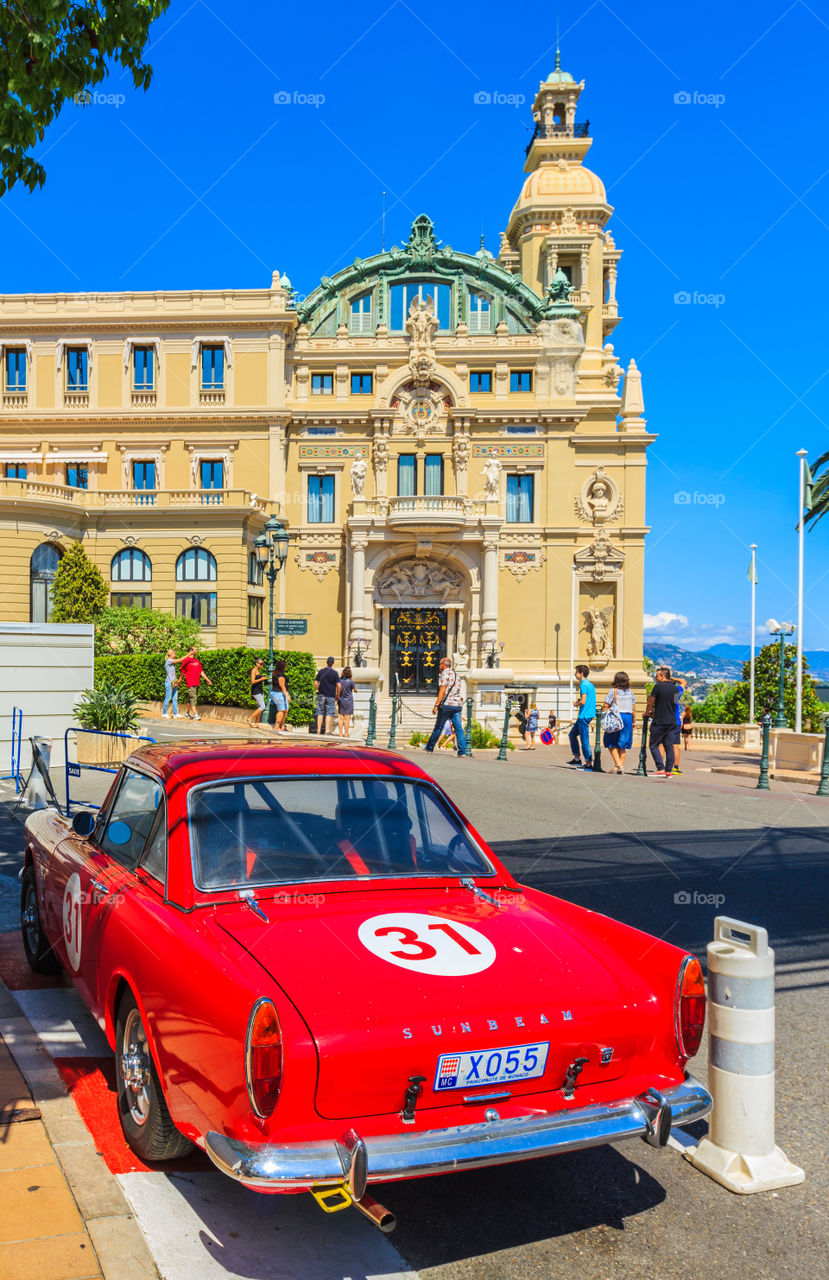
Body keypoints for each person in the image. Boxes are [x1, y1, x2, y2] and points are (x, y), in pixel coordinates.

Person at [424, 656, 468, 756]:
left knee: (439, 726)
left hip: (447, 705)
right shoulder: (456, 675)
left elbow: (442, 690)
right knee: (458, 728)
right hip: (457, 705)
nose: (439, 666)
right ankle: (462, 751)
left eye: (440, 664)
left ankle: (430, 747)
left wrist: (436, 705)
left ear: (444, 665)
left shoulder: (444, 674)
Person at [646, 666, 682, 778]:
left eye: (657, 676)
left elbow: (650, 703)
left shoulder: (657, 687)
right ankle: (669, 771)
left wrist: (647, 712)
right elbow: (675, 703)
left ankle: (660, 768)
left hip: (660, 720)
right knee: (669, 746)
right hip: (672, 721)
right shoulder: (676, 689)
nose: (656, 678)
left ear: (662, 676)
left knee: (653, 745)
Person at [602, 670, 636, 774]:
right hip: (628, 718)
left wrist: (603, 713)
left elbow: (605, 706)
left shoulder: (613, 691)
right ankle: (619, 766)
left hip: (616, 718)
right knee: (623, 744)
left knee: (610, 741)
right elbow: (633, 709)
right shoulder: (630, 693)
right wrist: (633, 722)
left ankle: (618, 765)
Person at [567, 664, 596, 769]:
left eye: (576, 672)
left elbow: (583, 701)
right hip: (587, 714)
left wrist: (576, 703)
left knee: (584, 740)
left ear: (581, 673)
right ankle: (577, 759)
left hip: (584, 715)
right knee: (572, 735)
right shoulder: (590, 684)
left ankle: (588, 763)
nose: (575, 674)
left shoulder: (583, 684)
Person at [180, 646, 212, 721]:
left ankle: (187, 713)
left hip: (196, 682)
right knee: (193, 698)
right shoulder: (186, 660)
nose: (196, 650)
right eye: (195, 649)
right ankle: (195, 714)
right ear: (191, 651)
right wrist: (179, 681)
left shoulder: (197, 661)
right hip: (190, 682)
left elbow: (201, 671)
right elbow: (182, 672)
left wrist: (207, 679)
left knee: (191, 699)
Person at [315, 656, 339, 735]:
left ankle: (318, 730)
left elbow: (315, 683)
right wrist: (338, 695)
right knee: (329, 713)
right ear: (333, 663)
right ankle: (327, 731)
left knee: (320, 712)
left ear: (326, 662)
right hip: (331, 695)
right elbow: (339, 686)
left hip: (321, 695)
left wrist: (318, 689)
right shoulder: (335, 673)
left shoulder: (321, 671)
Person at [162, 649, 184, 719]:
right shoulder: (168, 661)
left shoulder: (172, 662)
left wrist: (176, 682)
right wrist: (189, 655)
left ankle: (176, 714)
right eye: (174, 654)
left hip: (174, 682)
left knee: (175, 698)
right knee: (168, 698)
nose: (175, 655)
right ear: (170, 654)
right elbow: (179, 660)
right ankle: (164, 713)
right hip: (169, 683)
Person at [270, 658, 290, 732]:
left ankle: (282, 726)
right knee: (281, 710)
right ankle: (277, 727)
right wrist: (287, 695)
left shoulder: (274, 673)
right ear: (283, 667)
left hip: (275, 692)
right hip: (280, 693)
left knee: (286, 710)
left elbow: (272, 683)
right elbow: (282, 685)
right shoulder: (280, 675)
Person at [247, 657, 267, 729]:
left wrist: (263, 678)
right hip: (256, 691)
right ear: (256, 663)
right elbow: (252, 681)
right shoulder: (254, 670)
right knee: (262, 706)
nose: (262, 665)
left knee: (260, 707)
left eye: (262, 664)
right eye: (261, 664)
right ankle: (250, 719)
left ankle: (257, 723)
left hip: (259, 690)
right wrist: (262, 679)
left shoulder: (258, 670)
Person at [337, 666, 356, 737]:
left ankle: (340, 734)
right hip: (349, 701)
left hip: (341, 700)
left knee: (341, 718)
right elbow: (355, 690)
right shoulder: (351, 682)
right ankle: (346, 734)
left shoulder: (340, 680)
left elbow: (338, 688)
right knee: (347, 718)